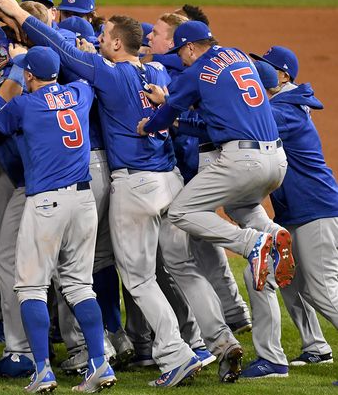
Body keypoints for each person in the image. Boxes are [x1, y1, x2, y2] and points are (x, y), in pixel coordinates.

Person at [0, 0, 202, 388]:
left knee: (135, 278)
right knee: (173, 268)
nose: (100, 38)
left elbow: (60, 50)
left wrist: (21, 16)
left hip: (130, 185)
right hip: (168, 180)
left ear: (117, 44)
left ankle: (172, 353)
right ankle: (195, 344)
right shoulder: (156, 72)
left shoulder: (103, 77)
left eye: (105, 35)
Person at [0, 46, 116, 393]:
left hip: (47, 204)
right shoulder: (80, 93)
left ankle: (42, 372)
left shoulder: (25, 105)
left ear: (30, 76)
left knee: (31, 286)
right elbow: (83, 77)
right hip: (83, 201)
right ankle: (98, 364)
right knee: (80, 285)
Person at [139, 21, 294, 293]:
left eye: (180, 52)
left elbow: (168, 114)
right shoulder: (239, 56)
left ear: (190, 48)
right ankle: (271, 232)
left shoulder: (196, 71)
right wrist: (174, 116)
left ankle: (251, 243)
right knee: (240, 205)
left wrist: (150, 125)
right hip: (277, 160)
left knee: (182, 211)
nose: (180, 59)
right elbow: (213, 122)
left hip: (242, 161)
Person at [240, 54, 336, 378]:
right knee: (288, 280)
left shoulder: (286, 111)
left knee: (322, 289)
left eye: (265, 68)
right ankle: (316, 347)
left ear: (282, 75)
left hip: (316, 209)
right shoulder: (285, 104)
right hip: (295, 211)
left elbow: (247, 122)